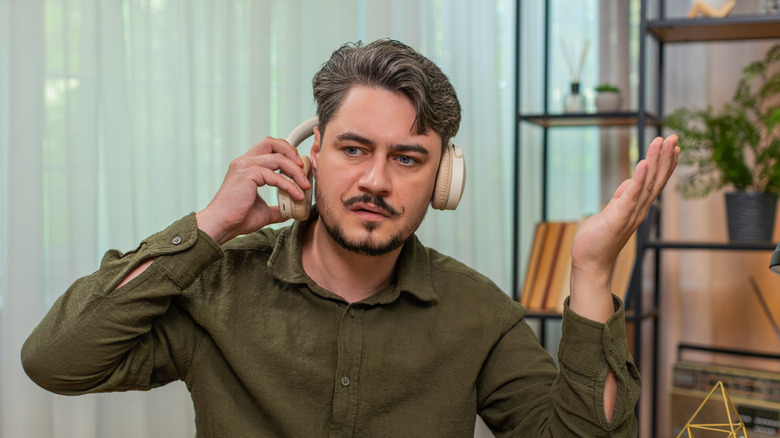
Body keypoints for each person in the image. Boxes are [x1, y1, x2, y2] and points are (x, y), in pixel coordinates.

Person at [22, 39, 679, 437]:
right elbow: (55, 359)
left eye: (407, 158)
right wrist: (211, 225)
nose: (375, 180)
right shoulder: (218, 287)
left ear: (443, 182)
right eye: (354, 149)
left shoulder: (480, 316)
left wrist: (592, 273)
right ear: (310, 157)